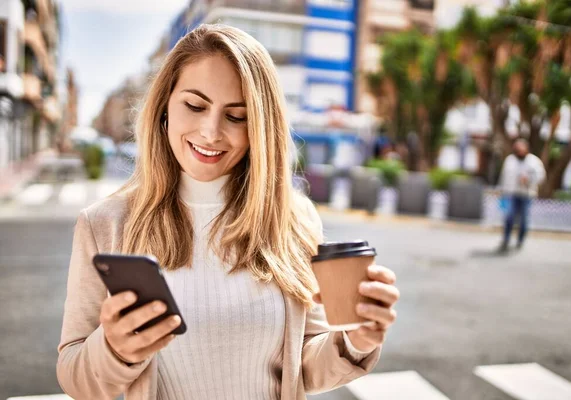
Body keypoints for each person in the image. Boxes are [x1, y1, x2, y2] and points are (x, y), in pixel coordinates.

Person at [56, 24, 400, 400]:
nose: (210, 132)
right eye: (195, 105)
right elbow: (75, 378)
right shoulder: (104, 223)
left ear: (260, 128)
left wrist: (355, 339)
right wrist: (113, 350)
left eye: (236, 116)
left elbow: (304, 369)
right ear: (165, 107)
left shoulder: (295, 217)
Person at [498, 138, 546, 252]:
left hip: (526, 194)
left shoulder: (534, 161)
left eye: (520, 149)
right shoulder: (510, 160)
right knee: (509, 216)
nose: (518, 151)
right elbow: (503, 176)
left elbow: (541, 177)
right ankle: (506, 239)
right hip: (511, 193)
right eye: (517, 149)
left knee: (524, 219)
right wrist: (501, 190)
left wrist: (529, 180)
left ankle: (520, 240)